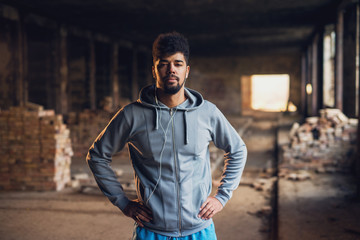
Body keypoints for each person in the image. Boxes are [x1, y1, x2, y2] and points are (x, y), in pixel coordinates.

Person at [87, 32, 247, 240]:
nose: (171, 69)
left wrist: (222, 197)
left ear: (186, 70)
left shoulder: (207, 113)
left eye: (178, 63)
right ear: (154, 70)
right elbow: (97, 155)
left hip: (199, 230)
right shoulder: (132, 115)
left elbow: (237, 149)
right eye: (164, 63)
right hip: (152, 231)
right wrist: (123, 203)